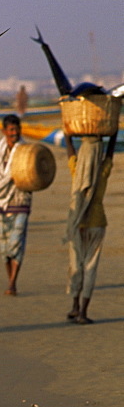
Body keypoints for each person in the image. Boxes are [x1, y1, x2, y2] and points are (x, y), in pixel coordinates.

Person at [65, 131, 117, 324]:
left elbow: (71, 155)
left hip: (78, 221)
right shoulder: (102, 172)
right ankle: (83, 312)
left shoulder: (78, 172)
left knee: (76, 265)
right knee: (90, 267)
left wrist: (68, 137)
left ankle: (75, 305)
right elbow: (109, 156)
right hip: (97, 222)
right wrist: (111, 137)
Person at [0, 114, 31, 295]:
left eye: (17, 129)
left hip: (21, 201)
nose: (14, 132)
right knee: (5, 248)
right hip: (3, 204)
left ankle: (12, 283)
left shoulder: (25, 151)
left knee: (16, 243)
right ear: (4, 131)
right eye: (11, 129)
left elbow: (34, 173)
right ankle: (11, 280)